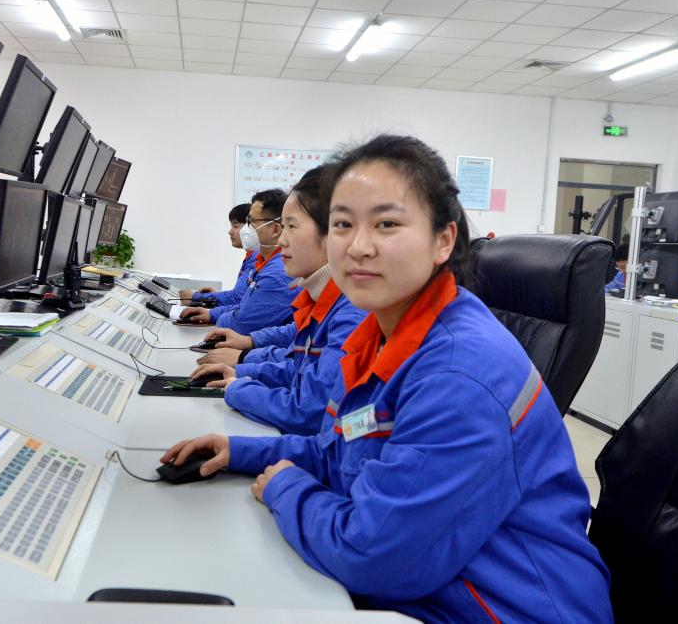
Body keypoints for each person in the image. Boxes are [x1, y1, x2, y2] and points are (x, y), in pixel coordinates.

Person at [163, 135, 612, 622]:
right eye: (343, 224)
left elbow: (371, 556)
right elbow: (340, 447)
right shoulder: (379, 338)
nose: (358, 246)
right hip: (429, 593)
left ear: (444, 240)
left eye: (387, 224)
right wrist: (241, 452)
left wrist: (285, 488)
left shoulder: (459, 375)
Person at [192, 166, 366, 435]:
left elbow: (310, 413)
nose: (282, 239)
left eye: (291, 227)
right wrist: (244, 367)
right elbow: (300, 368)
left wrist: (239, 384)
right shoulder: (320, 296)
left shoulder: (351, 313)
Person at [178, 189, 299, 334]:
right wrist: (211, 314)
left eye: (251, 222)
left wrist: (211, 313)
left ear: (275, 230)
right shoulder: (264, 262)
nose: (245, 229)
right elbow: (246, 306)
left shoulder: (277, 272)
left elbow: (241, 323)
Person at [179, 203, 254, 304]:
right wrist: (214, 295)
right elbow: (240, 297)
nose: (230, 231)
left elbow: (237, 299)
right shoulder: (250, 257)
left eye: (235, 226)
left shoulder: (255, 259)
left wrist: (195, 297)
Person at [606, 242, 678, 298]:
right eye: (619, 267)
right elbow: (608, 289)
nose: (622, 271)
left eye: (624, 267)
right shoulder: (621, 275)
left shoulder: (663, 275)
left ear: (636, 262)